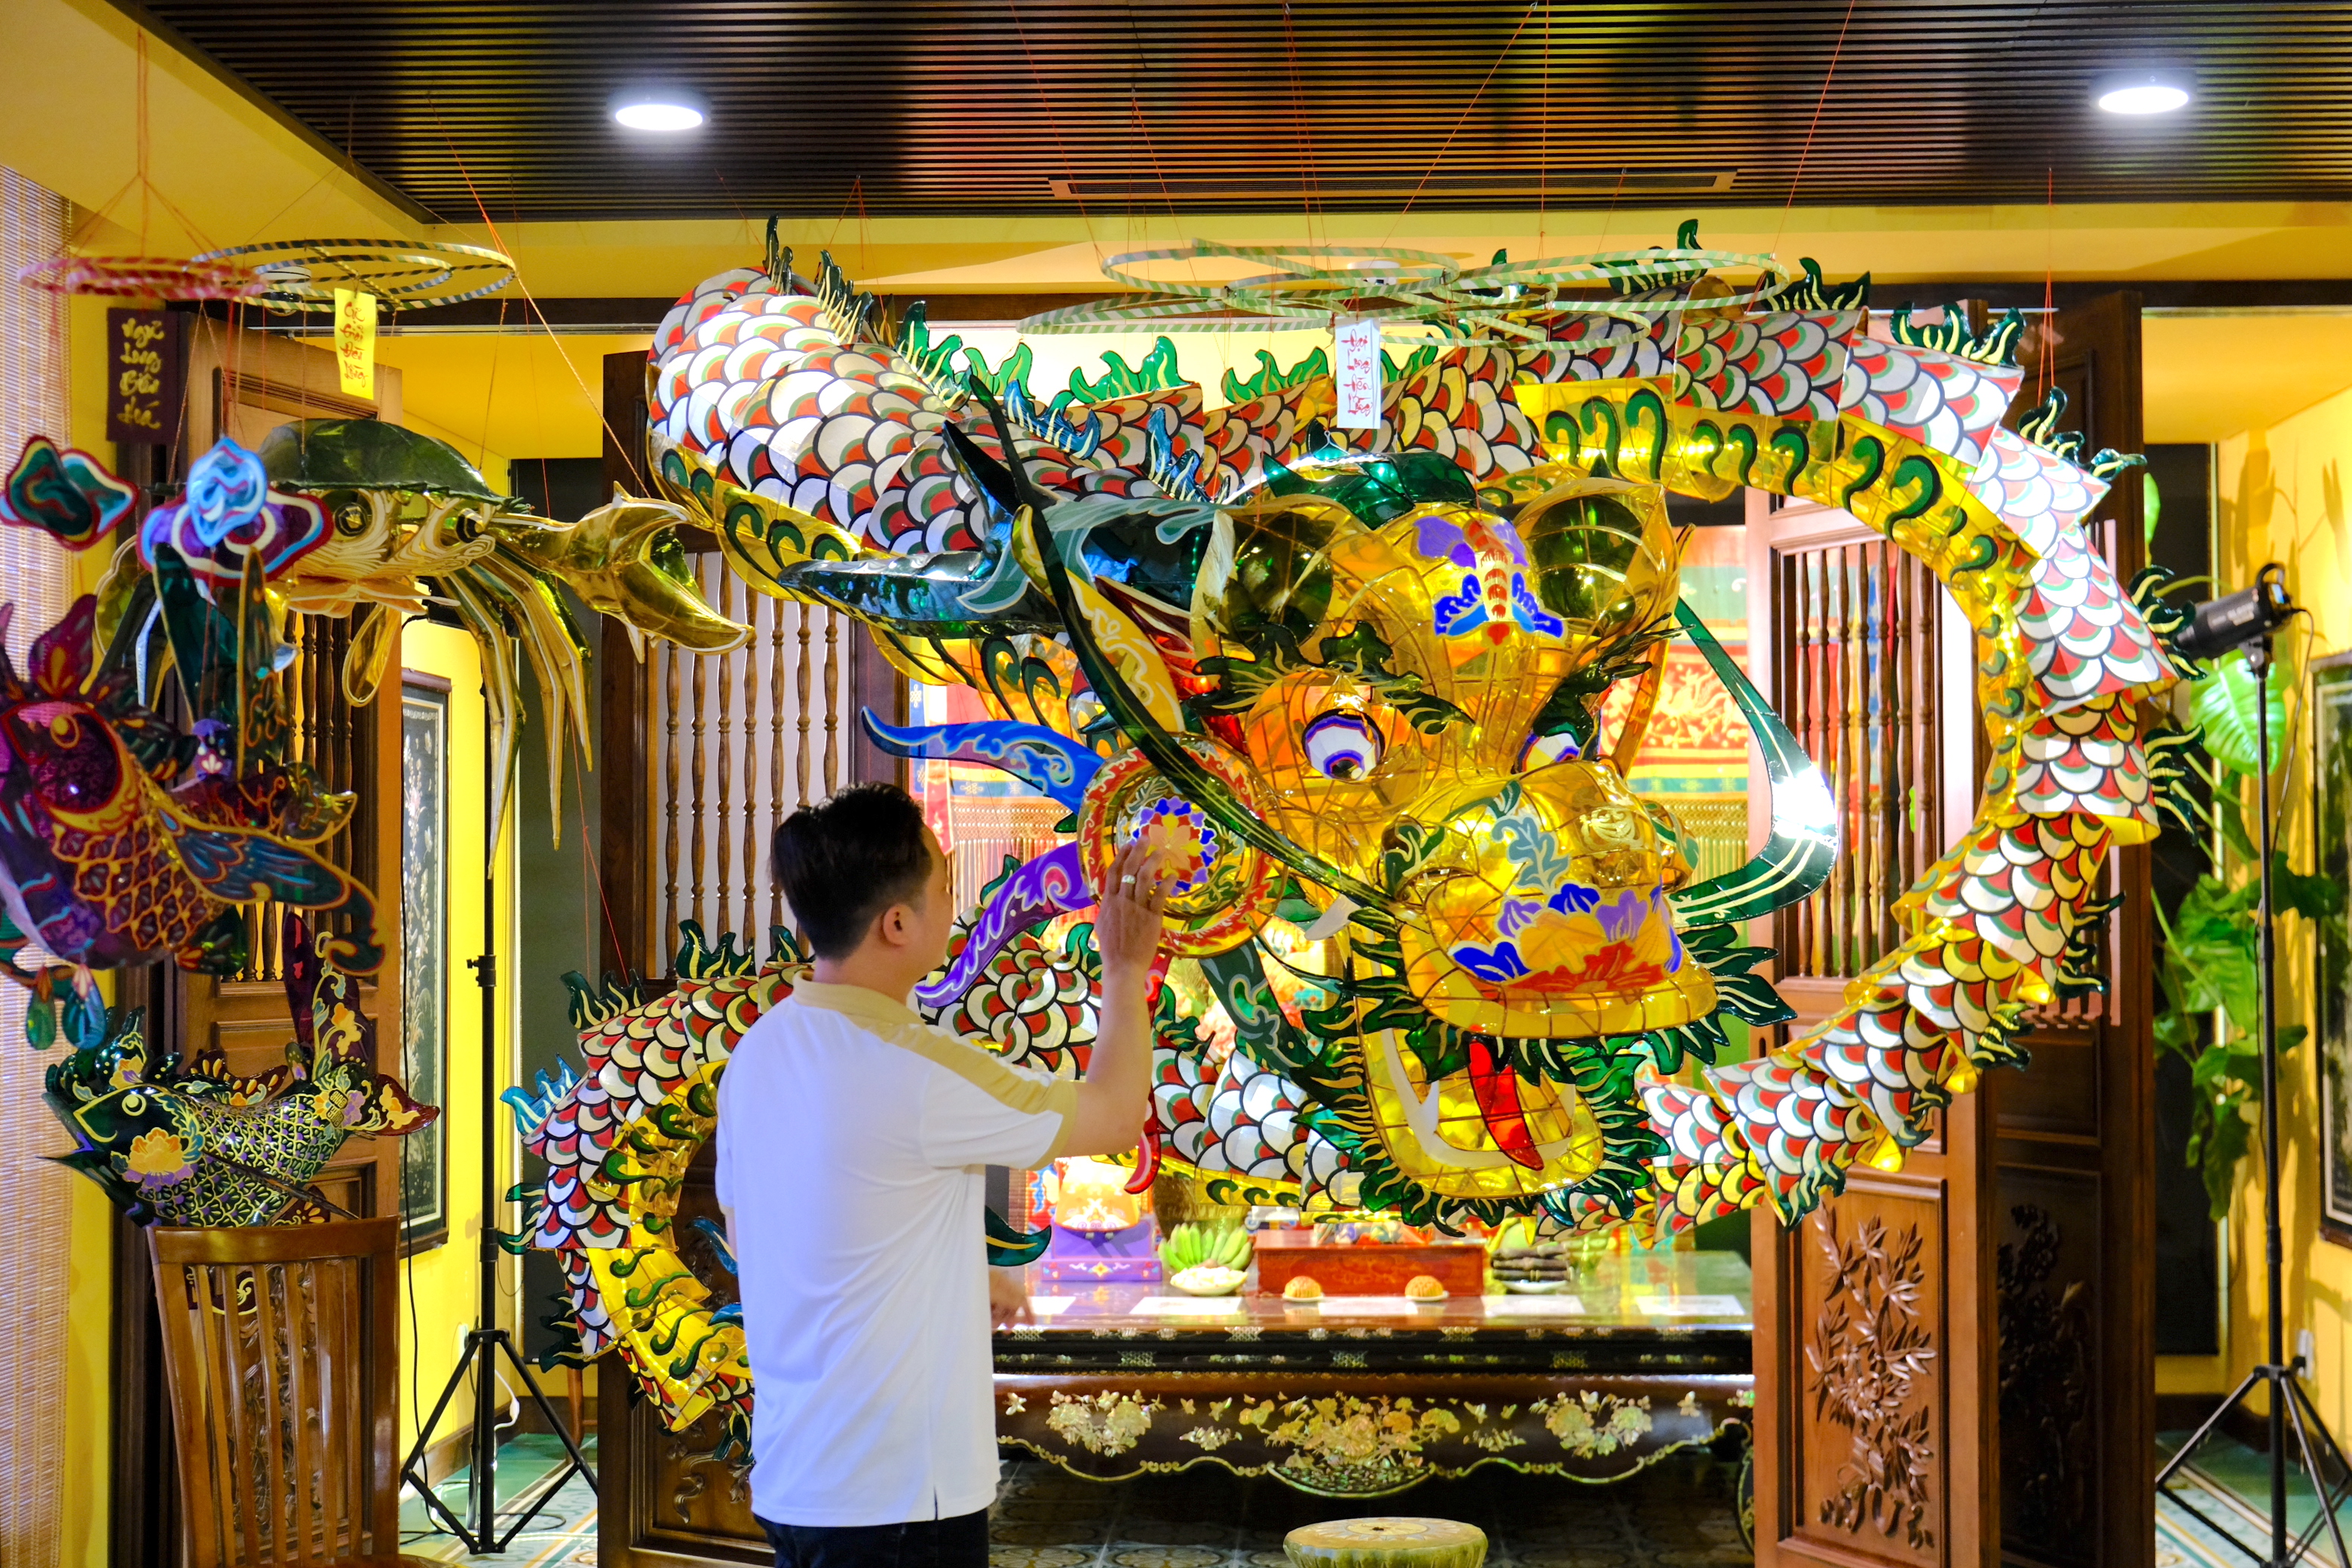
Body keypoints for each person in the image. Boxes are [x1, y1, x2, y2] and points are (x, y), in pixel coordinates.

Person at [717, 781, 1171, 1567]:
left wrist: (963, 1269)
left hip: (799, 1475)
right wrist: (1126, 969)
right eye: (941, 886)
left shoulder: (761, 1050)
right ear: (897, 923)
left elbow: (773, 1226)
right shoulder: (916, 1068)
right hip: (895, 1498)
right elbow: (1114, 1115)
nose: (952, 903)